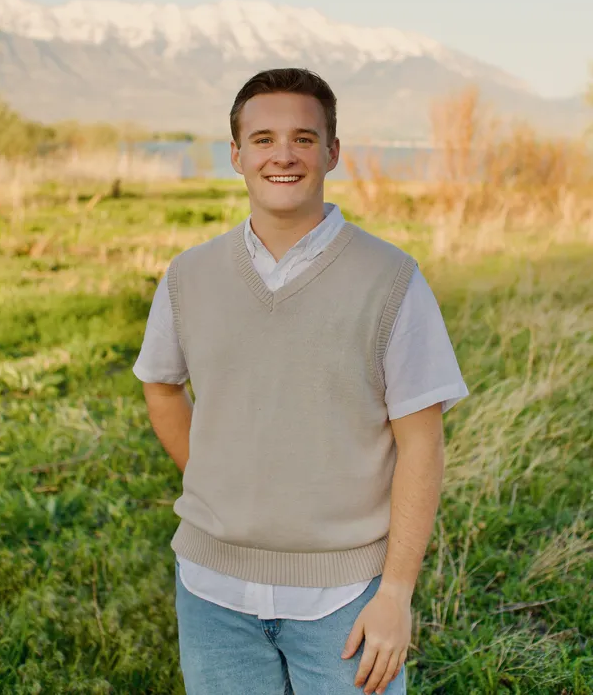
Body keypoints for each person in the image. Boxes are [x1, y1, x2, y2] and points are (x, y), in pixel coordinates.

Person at [133, 68, 469, 695]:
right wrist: (213, 474)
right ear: (236, 155)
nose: (282, 155)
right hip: (212, 592)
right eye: (262, 139)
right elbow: (161, 385)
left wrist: (396, 594)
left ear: (333, 151)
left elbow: (422, 443)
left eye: (303, 139)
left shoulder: (392, 279)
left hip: (345, 597)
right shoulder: (189, 276)